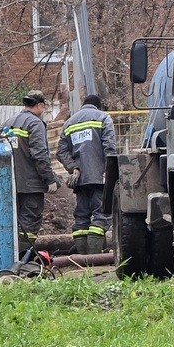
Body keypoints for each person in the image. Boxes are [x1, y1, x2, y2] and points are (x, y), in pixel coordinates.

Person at [57, 94, 117, 254]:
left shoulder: (69, 123)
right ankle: (94, 258)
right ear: (98, 106)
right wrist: (110, 171)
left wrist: (73, 168)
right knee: (101, 215)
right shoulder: (103, 117)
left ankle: (82, 257)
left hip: (79, 179)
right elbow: (109, 147)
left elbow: (61, 151)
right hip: (100, 177)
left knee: (81, 217)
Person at [3, 90, 63, 249]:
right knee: (29, 221)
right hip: (31, 184)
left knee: (14, 221)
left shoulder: (8, 122)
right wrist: (50, 179)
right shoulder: (35, 123)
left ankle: (12, 254)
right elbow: (39, 154)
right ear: (40, 106)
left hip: (10, 182)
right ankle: (24, 256)